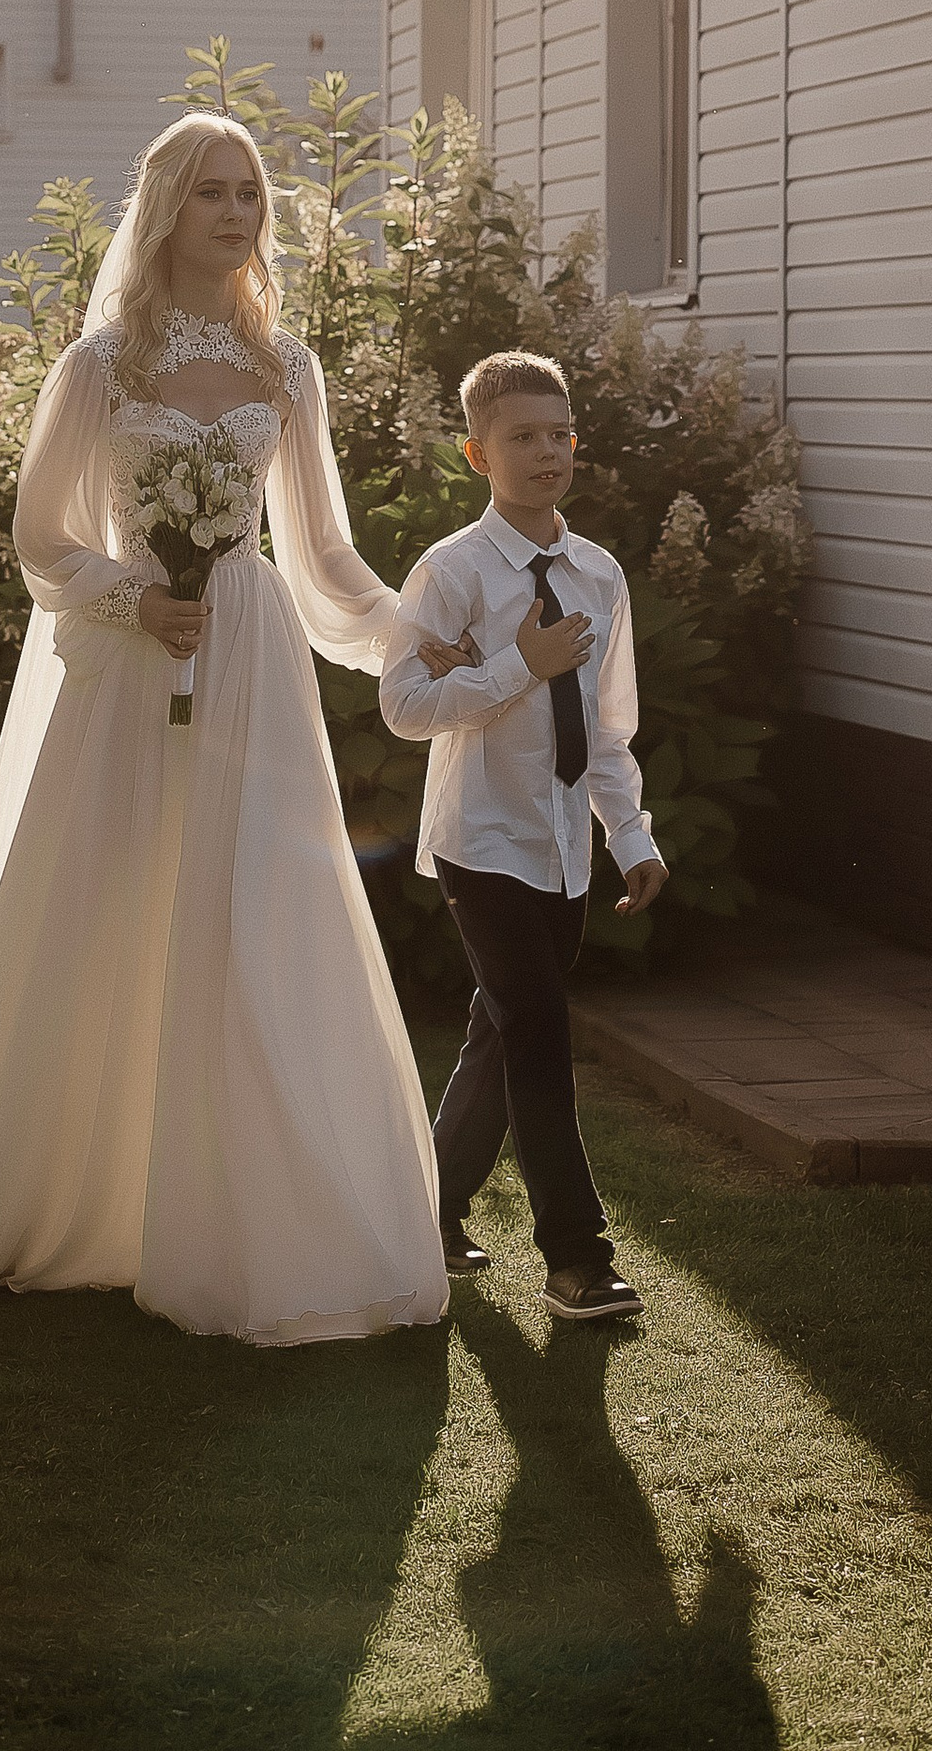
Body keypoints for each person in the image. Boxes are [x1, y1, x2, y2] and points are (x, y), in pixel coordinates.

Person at [0, 111, 453, 1346]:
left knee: (256, 915)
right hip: (131, 666)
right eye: (213, 192)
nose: (237, 214)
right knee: (106, 904)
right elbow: (40, 534)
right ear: (167, 207)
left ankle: (253, 1216)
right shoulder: (99, 367)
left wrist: (408, 635)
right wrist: (133, 595)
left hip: (251, 663)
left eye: (251, 194)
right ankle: (67, 1192)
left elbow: (320, 546)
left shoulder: (290, 370)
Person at [380, 350, 666, 1326]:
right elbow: (404, 706)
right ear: (476, 453)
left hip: (562, 852)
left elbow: (610, 725)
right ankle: (576, 1261)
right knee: (538, 1035)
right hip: (483, 846)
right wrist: (516, 664)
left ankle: (430, 1209)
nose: (546, 452)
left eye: (559, 434)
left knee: (501, 1035)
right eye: (521, 437)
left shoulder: (598, 573)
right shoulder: (451, 571)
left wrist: (629, 836)